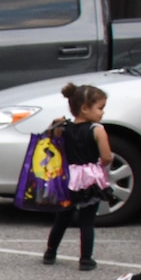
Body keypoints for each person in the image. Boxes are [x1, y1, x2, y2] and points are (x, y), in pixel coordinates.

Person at [42, 84, 114, 270]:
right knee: (87, 220)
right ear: (85, 108)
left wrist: (54, 124)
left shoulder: (64, 128)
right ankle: (85, 259)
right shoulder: (97, 130)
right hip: (89, 178)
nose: (102, 113)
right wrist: (101, 164)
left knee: (62, 218)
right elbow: (106, 156)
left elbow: (50, 139)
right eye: (100, 108)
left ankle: (50, 251)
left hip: (68, 177)